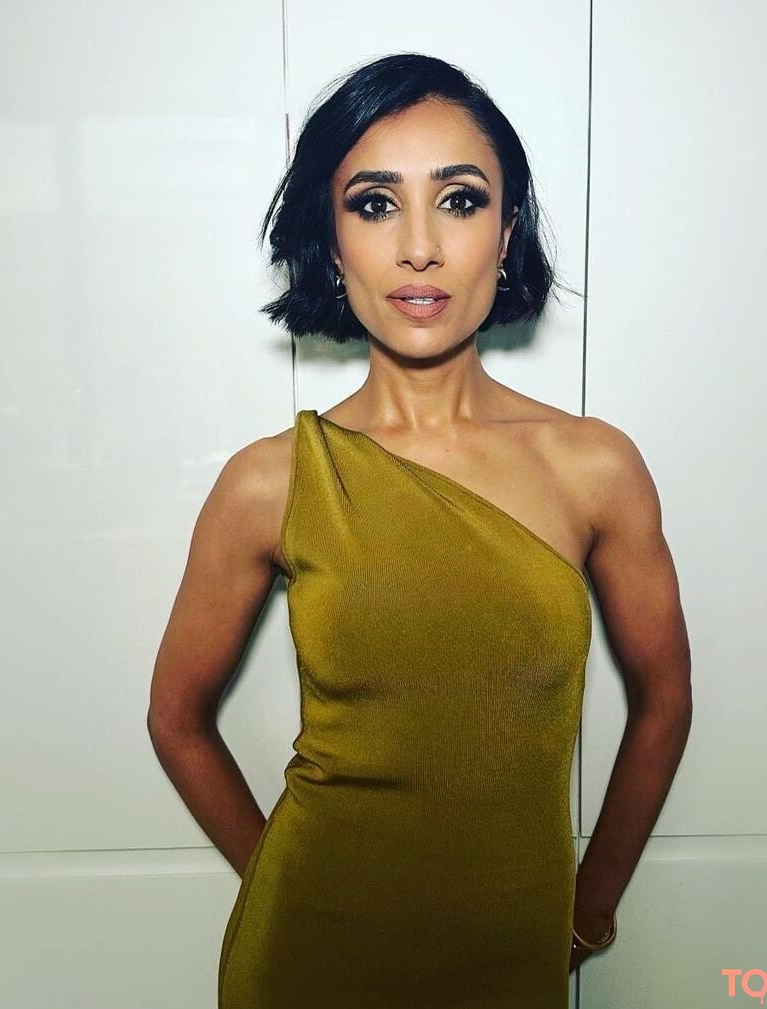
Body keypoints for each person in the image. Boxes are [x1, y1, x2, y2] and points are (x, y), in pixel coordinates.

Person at [147, 52, 693, 1008]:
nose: (419, 247)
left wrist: (589, 909)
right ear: (332, 240)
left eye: (459, 200)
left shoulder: (593, 467)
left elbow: (665, 699)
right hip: (306, 960)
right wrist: (279, 880)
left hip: (513, 956)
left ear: (506, 231)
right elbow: (175, 718)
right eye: (374, 205)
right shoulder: (270, 481)